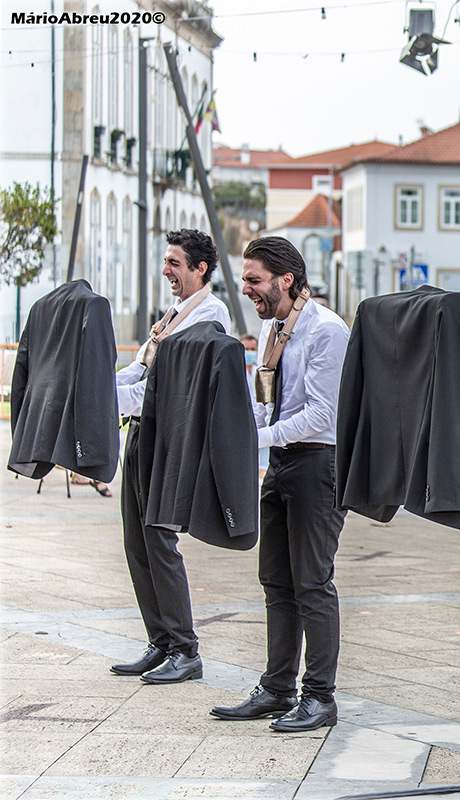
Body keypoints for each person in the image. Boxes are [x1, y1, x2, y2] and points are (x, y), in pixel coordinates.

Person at [210, 237, 350, 732]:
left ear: (285, 279)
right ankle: (276, 688)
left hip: (318, 465)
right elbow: (267, 402)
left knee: (313, 581)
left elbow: (321, 414)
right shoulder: (274, 327)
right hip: (282, 463)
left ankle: (320, 697)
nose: (247, 289)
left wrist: (255, 438)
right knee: (276, 580)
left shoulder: (326, 330)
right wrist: (242, 431)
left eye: (253, 279)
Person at [110, 229, 231, 684]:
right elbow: (140, 369)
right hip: (140, 435)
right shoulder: (174, 314)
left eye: (175, 263)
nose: (167, 271)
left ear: (200, 269)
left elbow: (171, 390)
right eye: (165, 261)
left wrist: (110, 400)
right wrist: (100, 389)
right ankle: (160, 641)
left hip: (168, 438)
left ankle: (185, 649)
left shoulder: (209, 316)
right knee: (136, 542)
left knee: (159, 541)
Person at [239, 333, 270, 479]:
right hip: (242, 421)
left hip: (261, 424)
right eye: (246, 348)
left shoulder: (261, 370)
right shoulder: (236, 371)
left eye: (253, 348)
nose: (250, 352)